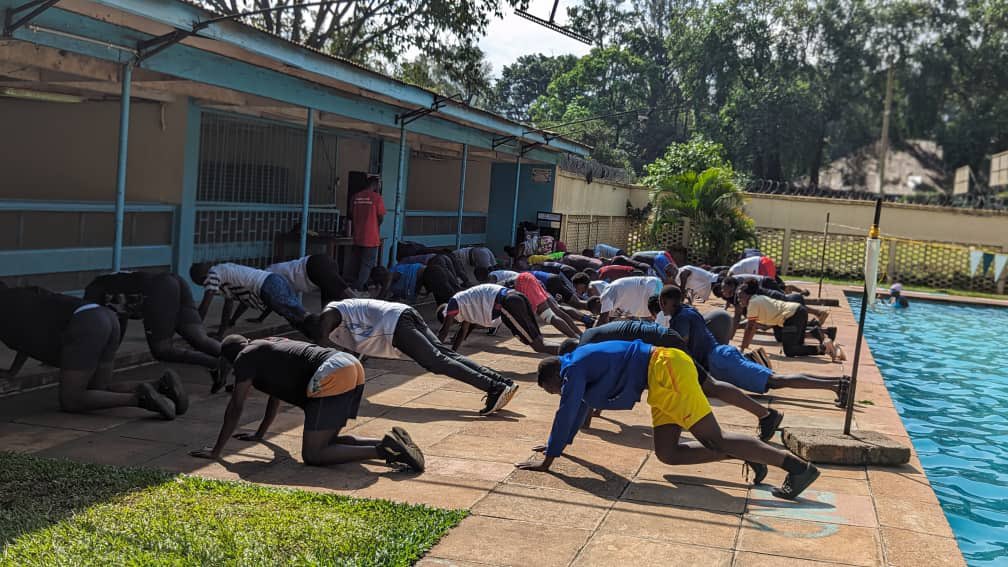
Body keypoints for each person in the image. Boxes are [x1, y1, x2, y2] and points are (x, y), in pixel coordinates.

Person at [519, 341, 821, 500]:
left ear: (554, 376)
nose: (555, 393)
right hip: (659, 379)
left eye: (551, 389)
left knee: (714, 438)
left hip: (666, 369)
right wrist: (557, 446)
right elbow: (576, 410)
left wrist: (549, 459)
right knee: (668, 453)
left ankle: (798, 468)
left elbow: (566, 411)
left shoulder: (572, 369)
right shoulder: (576, 366)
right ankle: (746, 452)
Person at [190, 335, 424, 471]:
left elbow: (236, 407)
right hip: (348, 364)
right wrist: (260, 434)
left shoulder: (245, 357)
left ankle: (385, 451)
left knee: (313, 454)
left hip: (330, 372)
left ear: (230, 359)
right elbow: (275, 395)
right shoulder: (267, 346)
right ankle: (390, 441)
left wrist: (217, 451)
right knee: (327, 442)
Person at [568, 320, 785, 441]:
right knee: (710, 386)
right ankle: (764, 415)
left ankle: (764, 416)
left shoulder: (583, 351)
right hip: (662, 339)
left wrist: (584, 424)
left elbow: (585, 388)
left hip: (663, 346)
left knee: (709, 387)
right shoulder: (588, 340)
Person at [0, 285, 185, 419]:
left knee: (71, 400)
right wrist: (13, 371)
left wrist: (12, 372)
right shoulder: (21, 295)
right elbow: (24, 339)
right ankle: (160, 386)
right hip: (104, 316)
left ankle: (138, 398)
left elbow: (22, 338)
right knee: (98, 390)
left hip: (86, 326)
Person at [318, 298, 517, 414]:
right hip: (403, 313)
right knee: (445, 355)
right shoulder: (341, 316)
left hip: (394, 323)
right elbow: (355, 357)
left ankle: (494, 387)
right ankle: (501, 383)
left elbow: (322, 350)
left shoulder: (329, 314)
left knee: (437, 361)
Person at [655, 286, 850, 403]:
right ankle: (837, 383)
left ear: (663, 302)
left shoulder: (679, 319)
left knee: (776, 380)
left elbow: (680, 345)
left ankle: (836, 385)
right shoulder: (689, 310)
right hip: (723, 355)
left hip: (721, 362)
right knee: (776, 379)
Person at [84, 271, 224, 390]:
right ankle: (235, 356)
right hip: (172, 280)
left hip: (159, 289)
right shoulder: (105, 287)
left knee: (162, 350)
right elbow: (118, 325)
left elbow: (108, 334)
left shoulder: (92, 299)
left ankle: (215, 364)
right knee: (200, 339)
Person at [190, 262, 318, 341]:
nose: (205, 286)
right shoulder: (223, 271)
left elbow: (204, 306)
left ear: (199, 279)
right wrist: (221, 333)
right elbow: (228, 306)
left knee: (300, 315)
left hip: (268, 286)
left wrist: (195, 331)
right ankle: (316, 336)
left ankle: (322, 330)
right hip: (273, 280)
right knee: (295, 316)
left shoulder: (212, 275)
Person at [437, 284, 559, 355]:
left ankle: (569, 353)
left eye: (450, 321)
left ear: (445, 314)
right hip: (515, 297)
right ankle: (568, 350)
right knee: (539, 341)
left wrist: (434, 353)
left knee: (538, 345)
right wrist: (453, 353)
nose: (454, 323)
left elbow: (443, 332)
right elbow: (463, 332)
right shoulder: (463, 303)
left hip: (507, 303)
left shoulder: (454, 303)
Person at [737, 286, 840, 360]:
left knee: (790, 350)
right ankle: (820, 340)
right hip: (798, 312)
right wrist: (745, 345)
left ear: (748, 295)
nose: (739, 300)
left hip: (793, 316)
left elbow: (750, 327)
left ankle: (825, 347)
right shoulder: (756, 299)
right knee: (796, 346)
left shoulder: (753, 303)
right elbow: (753, 327)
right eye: (738, 297)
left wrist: (742, 348)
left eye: (741, 296)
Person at [266, 254, 356, 310]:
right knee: (330, 302)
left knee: (341, 291)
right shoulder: (274, 271)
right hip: (316, 263)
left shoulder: (269, 277)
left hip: (312, 269)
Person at [512, 272, 582, 338]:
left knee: (549, 316)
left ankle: (576, 338)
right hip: (530, 278)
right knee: (558, 312)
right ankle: (580, 335)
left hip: (523, 281)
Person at [347, 176, 386, 291]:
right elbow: (381, 217)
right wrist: (374, 225)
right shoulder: (377, 198)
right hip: (371, 237)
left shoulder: (355, 197)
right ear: (375, 184)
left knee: (356, 262)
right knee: (367, 264)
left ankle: (354, 285)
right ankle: (358, 288)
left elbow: (351, 214)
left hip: (358, 236)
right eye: (379, 185)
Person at [595, 276, 664, 325]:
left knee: (663, 319)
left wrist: (591, 335)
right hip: (648, 297)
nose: (600, 313)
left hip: (650, 288)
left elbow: (602, 321)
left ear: (598, 301)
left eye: (597, 310)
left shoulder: (606, 295)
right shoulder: (611, 310)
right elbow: (606, 322)